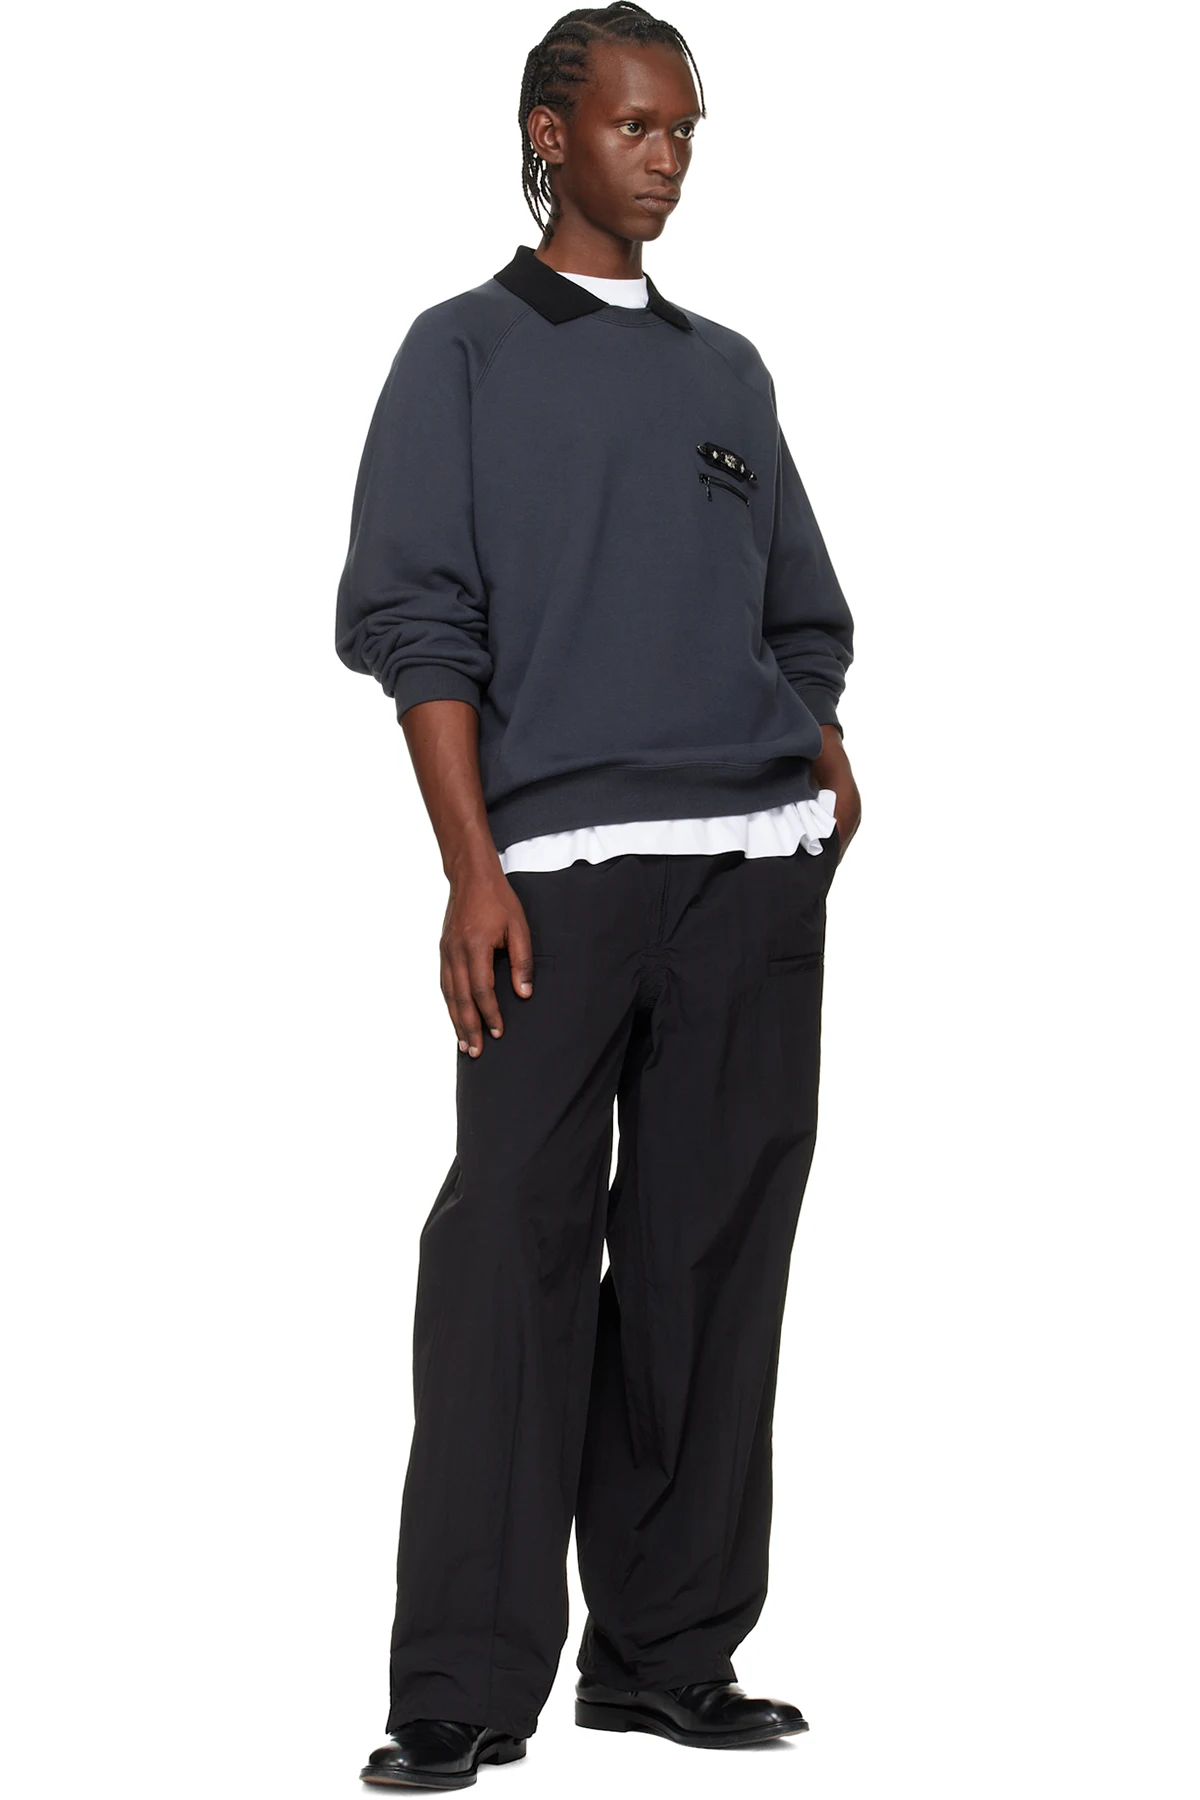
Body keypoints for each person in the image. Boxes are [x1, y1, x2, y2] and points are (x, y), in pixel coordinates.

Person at [334, 3, 861, 1787]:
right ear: (550, 134)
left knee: (712, 1263)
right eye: (638, 125)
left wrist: (820, 744)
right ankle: (460, 1684)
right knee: (511, 1255)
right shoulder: (462, 353)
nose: (669, 157)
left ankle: (667, 1652)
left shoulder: (727, 372)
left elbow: (799, 606)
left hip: (751, 877)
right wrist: (469, 868)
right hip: (553, 879)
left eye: (687, 130)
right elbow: (417, 622)